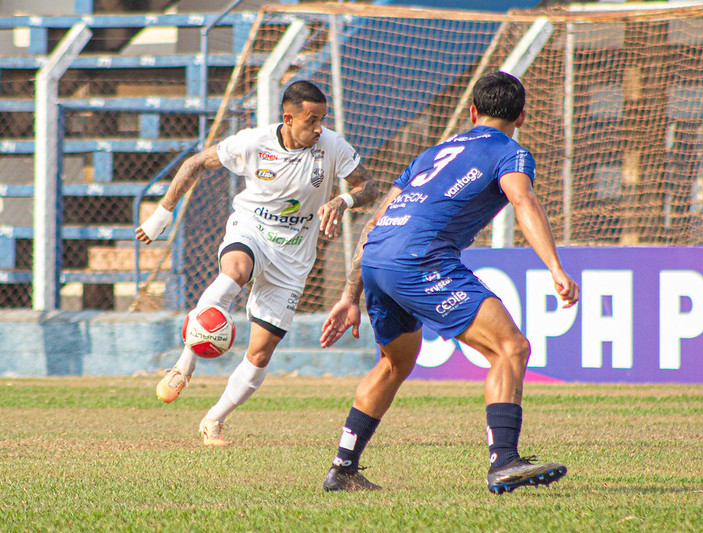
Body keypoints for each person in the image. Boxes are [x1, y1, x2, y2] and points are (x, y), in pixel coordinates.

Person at [318, 71, 580, 494]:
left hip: (379, 257)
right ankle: (503, 462)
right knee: (510, 347)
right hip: (420, 258)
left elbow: (377, 220)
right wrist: (554, 267)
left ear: (473, 112)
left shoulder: (432, 153)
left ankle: (343, 467)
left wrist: (352, 294)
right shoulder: (510, 150)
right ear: (522, 116)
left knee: (395, 363)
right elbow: (522, 199)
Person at [136, 80, 378, 446]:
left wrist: (342, 200)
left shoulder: (332, 145)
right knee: (233, 272)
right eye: (311, 121)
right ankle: (184, 366)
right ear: (288, 118)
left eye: (322, 121)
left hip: (293, 258)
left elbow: (369, 187)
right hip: (251, 231)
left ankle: (213, 420)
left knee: (260, 352)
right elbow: (196, 162)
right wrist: (161, 215)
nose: (318, 129)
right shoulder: (254, 143)